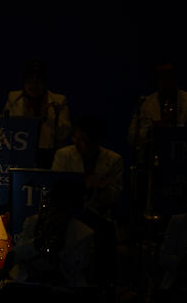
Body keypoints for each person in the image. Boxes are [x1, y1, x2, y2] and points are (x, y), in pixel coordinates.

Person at [51, 115, 123, 290]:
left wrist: (97, 190)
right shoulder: (64, 155)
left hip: (98, 215)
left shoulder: (113, 160)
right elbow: (56, 189)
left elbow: (113, 197)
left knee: (103, 232)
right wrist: (86, 186)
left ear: (95, 141)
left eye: (82, 139)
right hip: (69, 214)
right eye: (76, 137)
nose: (76, 142)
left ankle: (104, 286)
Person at [10, 178, 94, 289]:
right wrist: (38, 242)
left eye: (64, 206)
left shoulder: (84, 234)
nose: (58, 210)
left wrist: (58, 243)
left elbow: (74, 269)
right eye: (56, 203)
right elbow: (16, 256)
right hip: (30, 286)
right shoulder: (33, 222)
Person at [3, 59, 71, 168]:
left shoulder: (58, 102)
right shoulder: (13, 99)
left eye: (38, 82)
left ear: (45, 83)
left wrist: (47, 119)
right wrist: (28, 120)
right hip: (21, 153)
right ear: (24, 82)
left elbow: (64, 134)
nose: (34, 86)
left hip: (49, 154)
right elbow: (7, 129)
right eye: (30, 81)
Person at [128, 58, 187, 150]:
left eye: (168, 76)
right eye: (161, 76)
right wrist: (152, 130)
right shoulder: (146, 103)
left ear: (175, 77)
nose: (165, 80)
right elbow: (132, 137)